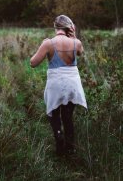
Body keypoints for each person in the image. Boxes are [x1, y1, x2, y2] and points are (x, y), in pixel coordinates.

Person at [30, 15, 88, 156]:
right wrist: (74, 37)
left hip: (56, 83)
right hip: (72, 83)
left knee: (54, 114)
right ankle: (71, 148)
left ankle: (59, 140)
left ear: (55, 27)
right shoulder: (76, 43)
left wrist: (44, 44)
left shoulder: (48, 43)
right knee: (68, 116)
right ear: (69, 27)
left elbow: (33, 63)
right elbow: (81, 53)